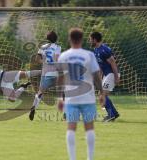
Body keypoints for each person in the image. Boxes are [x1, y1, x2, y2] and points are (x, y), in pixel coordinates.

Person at [58, 28, 105, 160]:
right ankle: (90, 158)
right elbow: (96, 75)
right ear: (82, 39)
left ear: (70, 39)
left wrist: (59, 98)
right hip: (88, 98)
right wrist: (102, 93)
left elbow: (60, 78)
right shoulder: (89, 55)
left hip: (71, 98)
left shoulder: (64, 56)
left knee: (71, 128)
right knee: (89, 128)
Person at [29, 31, 61, 121]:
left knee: (40, 92)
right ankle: (66, 112)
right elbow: (57, 59)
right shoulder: (58, 47)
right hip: (55, 73)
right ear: (56, 38)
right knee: (62, 92)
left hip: (45, 73)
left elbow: (37, 59)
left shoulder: (42, 47)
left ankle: (33, 107)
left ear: (47, 38)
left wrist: (45, 62)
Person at [90, 32, 120, 122]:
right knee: (102, 95)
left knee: (102, 95)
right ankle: (114, 113)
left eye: (90, 39)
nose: (89, 41)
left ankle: (111, 115)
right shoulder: (96, 50)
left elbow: (113, 63)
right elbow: (100, 66)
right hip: (107, 75)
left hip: (111, 74)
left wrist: (116, 77)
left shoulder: (104, 50)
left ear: (95, 40)